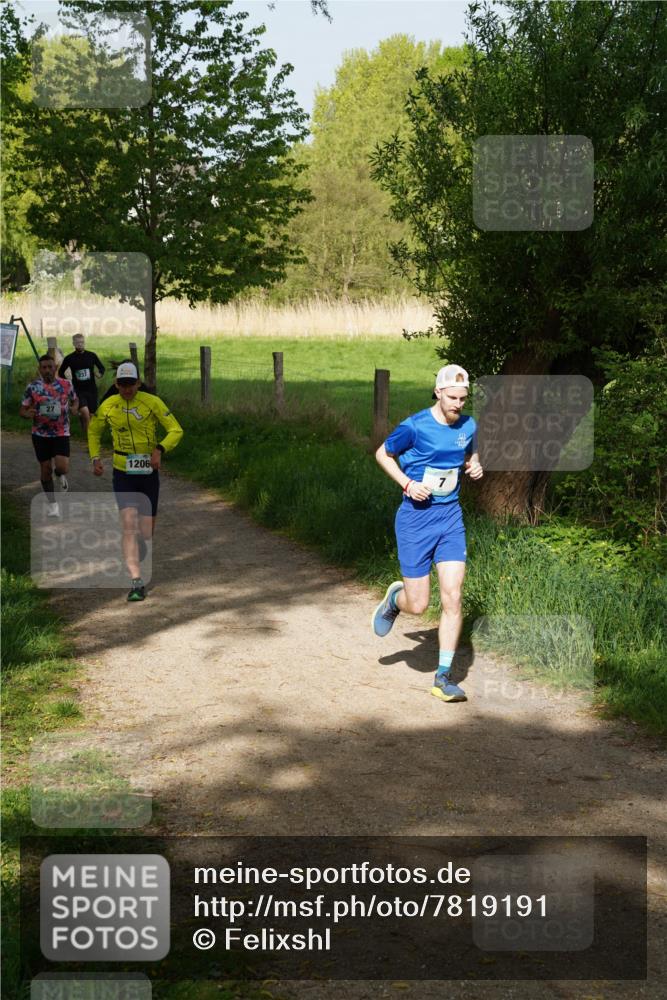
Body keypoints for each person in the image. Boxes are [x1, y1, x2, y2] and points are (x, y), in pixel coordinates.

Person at [372, 364, 483, 703]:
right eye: (452, 398)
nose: (458, 405)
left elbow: (470, 451)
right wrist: (407, 483)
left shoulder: (468, 425)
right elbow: (382, 453)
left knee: (453, 596)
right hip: (415, 520)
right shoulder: (415, 426)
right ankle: (396, 599)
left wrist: (474, 464)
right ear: (438, 392)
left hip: (450, 518)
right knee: (419, 605)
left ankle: (443, 677)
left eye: (463, 399)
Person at [87, 362, 183, 602]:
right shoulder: (109, 405)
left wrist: (160, 449)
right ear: (116, 384)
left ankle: (139, 543)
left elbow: (176, 430)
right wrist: (95, 457)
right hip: (123, 473)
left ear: (138, 383)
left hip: (148, 472)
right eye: (123, 384)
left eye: (131, 384)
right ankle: (136, 582)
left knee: (146, 532)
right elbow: (93, 430)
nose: (127, 389)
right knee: (128, 524)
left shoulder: (152, 402)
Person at [19, 354, 79, 517]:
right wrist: (27, 414)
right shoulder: (32, 387)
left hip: (61, 432)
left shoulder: (66, 385)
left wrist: (74, 408)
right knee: (45, 470)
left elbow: (75, 400)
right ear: (39, 369)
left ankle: (59, 474)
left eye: (50, 367)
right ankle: (53, 505)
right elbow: (22, 410)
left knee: (62, 467)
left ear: (55, 368)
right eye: (44, 367)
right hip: (40, 434)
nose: (47, 370)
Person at [58, 334, 105, 433]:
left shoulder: (91, 356)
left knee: (91, 416)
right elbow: (61, 372)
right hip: (78, 391)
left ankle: (86, 432)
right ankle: (89, 439)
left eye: (82, 342)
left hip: (91, 390)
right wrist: (68, 382)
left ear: (84, 342)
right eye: (78, 342)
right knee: (86, 414)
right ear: (73, 343)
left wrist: (99, 374)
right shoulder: (69, 358)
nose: (80, 344)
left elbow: (102, 368)